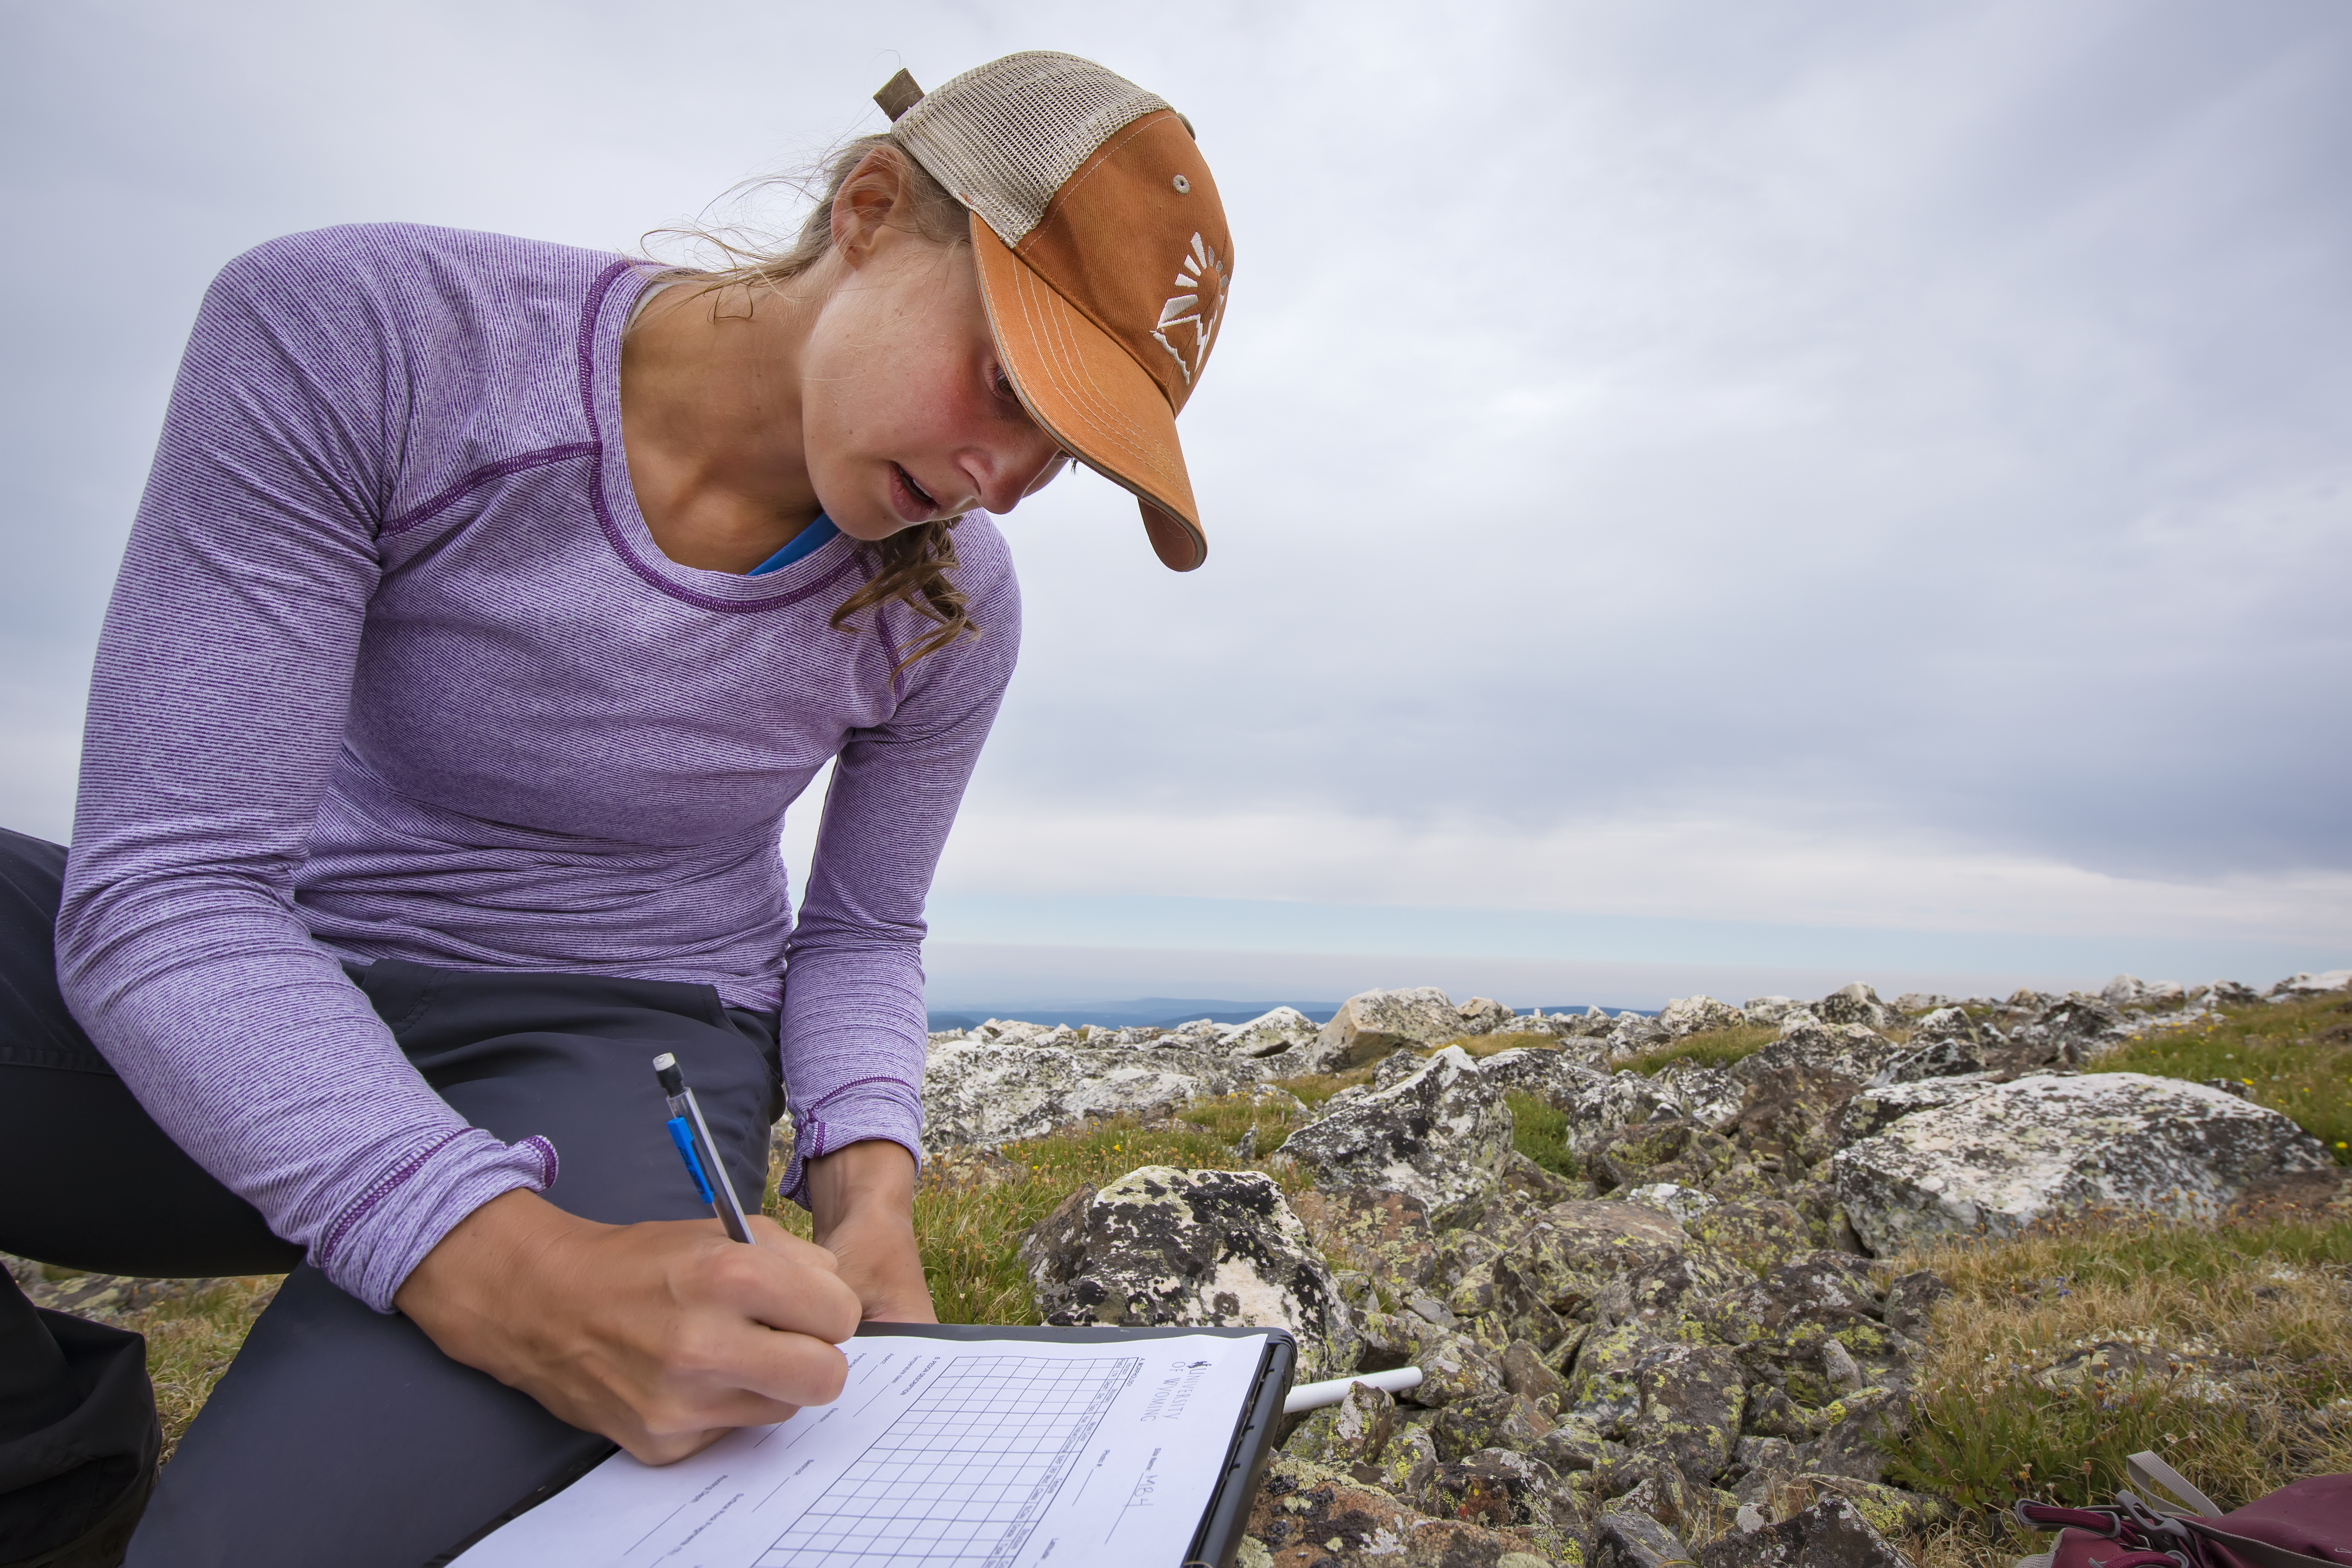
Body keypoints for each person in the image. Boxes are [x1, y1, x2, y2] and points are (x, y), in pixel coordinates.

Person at [0, 50, 1232, 1567]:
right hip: (246, 988)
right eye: (1007, 385)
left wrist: (869, 1192)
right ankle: (47, 1467)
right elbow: (173, 887)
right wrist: (498, 1267)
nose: (1005, 477)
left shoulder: (951, 603)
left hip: (606, 1054)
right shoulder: (371, 337)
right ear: (867, 209)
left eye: (1070, 451)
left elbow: (856, 933)